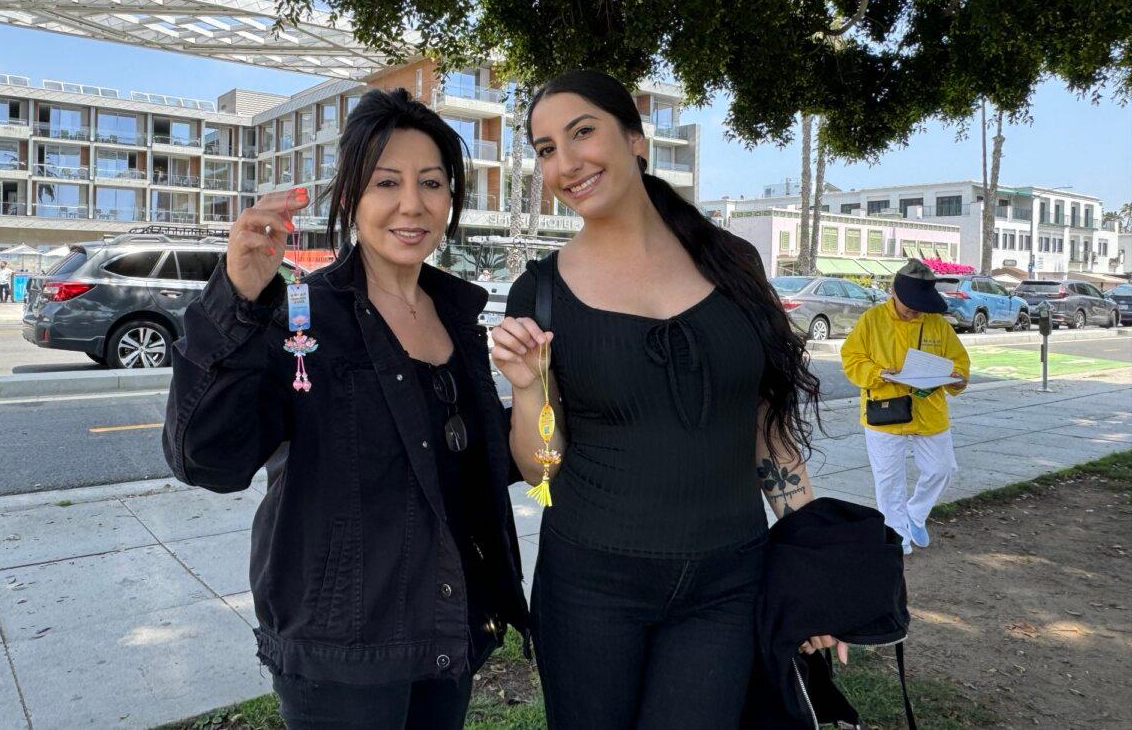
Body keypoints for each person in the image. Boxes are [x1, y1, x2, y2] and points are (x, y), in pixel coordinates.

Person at [163, 88, 529, 730]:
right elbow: (208, 460)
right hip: (342, 652)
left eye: (432, 183)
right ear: (350, 198)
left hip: (448, 630)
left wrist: (537, 393)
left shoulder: (457, 317)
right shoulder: (303, 317)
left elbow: (469, 461)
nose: (411, 204)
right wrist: (238, 298)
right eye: (386, 182)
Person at [489, 70, 838, 730]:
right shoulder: (540, 294)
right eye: (544, 149)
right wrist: (529, 383)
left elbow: (767, 429)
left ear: (635, 138)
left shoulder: (732, 264)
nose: (565, 163)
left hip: (728, 586)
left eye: (582, 132)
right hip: (591, 590)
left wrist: (810, 562)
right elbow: (539, 473)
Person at [841, 258, 970, 555]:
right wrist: (879, 374)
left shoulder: (936, 323)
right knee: (889, 480)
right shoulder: (872, 320)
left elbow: (959, 362)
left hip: (929, 409)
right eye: (909, 303)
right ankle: (897, 536)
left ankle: (915, 514)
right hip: (885, 407)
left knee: (942, 469)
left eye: (919, 304)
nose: (914, 310)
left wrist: (956, 379)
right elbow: (852, 358)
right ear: (894, 293)